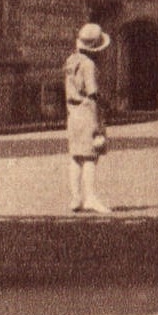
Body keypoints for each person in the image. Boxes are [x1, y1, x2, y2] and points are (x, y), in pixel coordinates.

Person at [64, 22, 112, 214]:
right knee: (91, 156)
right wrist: (106, 104)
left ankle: (76, 197)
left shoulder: (70, 61)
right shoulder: (89, 64)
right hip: (88, 113)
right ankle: (90, 197)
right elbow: (93, 92)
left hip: (72, 113)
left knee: (76, 156)